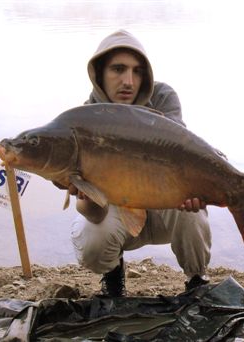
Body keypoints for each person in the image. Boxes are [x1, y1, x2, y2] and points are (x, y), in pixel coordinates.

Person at [66, 29, 212, 297]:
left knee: (192, 212)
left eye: (137, 71)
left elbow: (180, 153)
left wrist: (196, 187)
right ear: (99, 74)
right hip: (119, 213)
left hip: (165, 205)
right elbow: (94, 213)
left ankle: (196, 280)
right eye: (118, 70)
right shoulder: (85, 119)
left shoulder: (164, 97)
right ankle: (112, 273)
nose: (128, 81)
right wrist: (85, 193)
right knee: (93, 236)